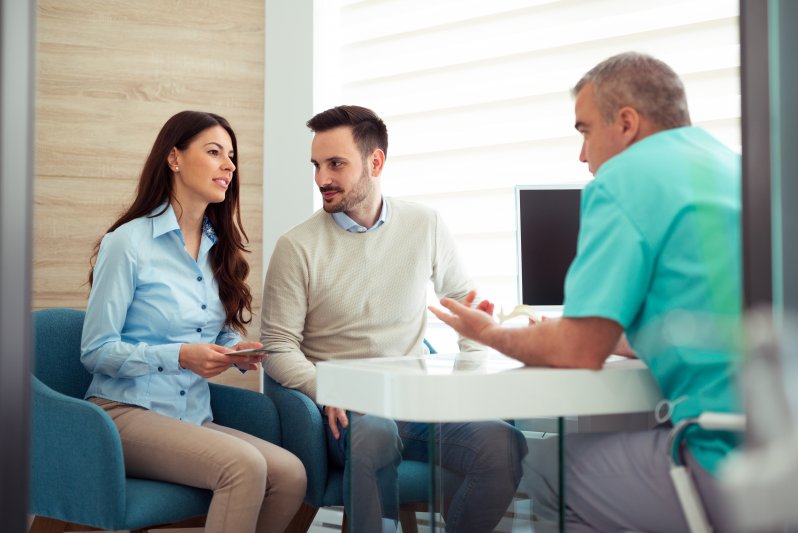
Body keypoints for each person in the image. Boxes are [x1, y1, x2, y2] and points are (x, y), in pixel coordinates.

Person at [430, 52, 742, 532]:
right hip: (783, 446)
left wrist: (492, 333)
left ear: (626, 123)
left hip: (725, 457)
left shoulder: (625, 179)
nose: (582, 155)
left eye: (584, 131)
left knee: (547, 469)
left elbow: (579, 349)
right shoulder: (737, 168)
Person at [260, 105, 528, 532]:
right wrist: (328, 388)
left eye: (335, 164)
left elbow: (464, 302)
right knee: (376, 435)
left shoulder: (425, 224)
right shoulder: (297, 247)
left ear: (376, 162)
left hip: (413, 402)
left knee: (503, 443)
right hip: (346, 414)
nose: (321, 179)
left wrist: (472, 368)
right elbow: (277, 347)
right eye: (316, 165)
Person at [81, 110, 306, 533]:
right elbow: (96, 351)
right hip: (123, 413)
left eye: (232, 156)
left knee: (290, 474)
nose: (229, 166)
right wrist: (180, 357)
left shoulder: (218, 247)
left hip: (191, 416)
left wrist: (233, 348)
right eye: (214, 152)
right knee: (244, 468)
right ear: (174, 158)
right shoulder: (127, 244)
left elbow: (212, 329)